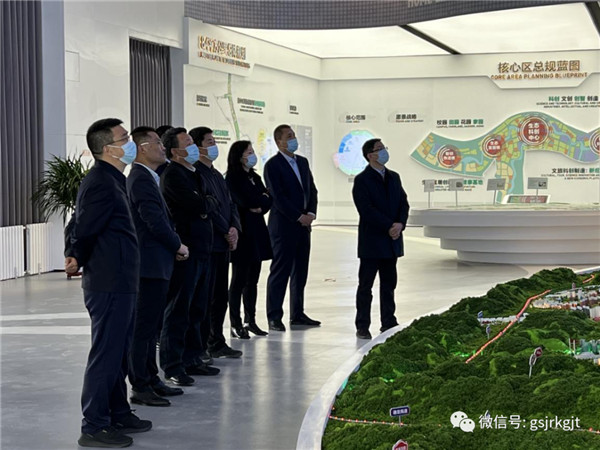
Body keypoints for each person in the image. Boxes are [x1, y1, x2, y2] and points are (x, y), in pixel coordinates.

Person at [65, 118, 151, 448]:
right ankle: (94, 424)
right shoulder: (101, 181)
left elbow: (78, 221)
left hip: (121, 279)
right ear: (108, 149)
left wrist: (74, 251)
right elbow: (83, 226)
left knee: (118, 352)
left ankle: (118, 412)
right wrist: (75, 254)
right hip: (109, 281)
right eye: (124, 138)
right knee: (107, 353)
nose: (131, 143)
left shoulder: (114, 179)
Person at [126, 126, 189, 407]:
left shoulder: (149, 177)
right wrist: (177, 245)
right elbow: (153, 221)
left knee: (151, 328)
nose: (162, 147)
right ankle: (140, 385)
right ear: (142, 148)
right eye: (156, 143)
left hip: (157, 264)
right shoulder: (140, 178)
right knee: (143, 329)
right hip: (148, 266)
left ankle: (151, 379)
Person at [159, 127, 220, 386]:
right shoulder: (173, 175)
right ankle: (173, 364)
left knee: (197, 308)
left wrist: (205, 205)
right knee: (179, 310)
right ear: (175, 151)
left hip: (203, 249)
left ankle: (193, 357)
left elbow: (210, 202)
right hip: (186, 251)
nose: (193, 146)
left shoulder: (195, 173)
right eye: (188, 143)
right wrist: (205, 205)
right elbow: (200, 205)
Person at [190, 126, 243, 358]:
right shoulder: (197, 174)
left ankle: (217, 341)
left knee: (221, 297)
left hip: (223, 244)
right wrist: (225, 230)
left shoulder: (216, 174)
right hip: (210, 243)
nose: (214, 146)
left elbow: (230, 205)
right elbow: (208, 209)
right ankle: (202, 345)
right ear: (197, 147)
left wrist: (235, 228)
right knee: (205, 298)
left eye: (214, 141)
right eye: (209, 142)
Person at [351, 138, 410, 340]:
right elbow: (366, 209)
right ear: (370, 155)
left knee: (389, 284)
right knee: (365, 286)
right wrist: (388, 226)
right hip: (372, 241)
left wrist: (400, 224)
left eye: (384, 147)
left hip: (392, 241)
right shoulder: (362, 180)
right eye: (379, 149)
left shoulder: (394, 177)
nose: (384, 151)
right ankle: (362, 325)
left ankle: (388, 322)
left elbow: (403, 203)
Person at [263, 124, 319, 332]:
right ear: (279, 142)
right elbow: (278, 197)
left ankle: (298, 314)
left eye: (294, 135)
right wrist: (298, 216)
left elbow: (311, 190)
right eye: (289, 136)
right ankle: (274, 316)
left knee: (300, 272)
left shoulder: (302, 162)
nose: (294, 139)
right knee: (280, 272)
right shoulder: (273, 165)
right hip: (284, 227)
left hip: (304, 226)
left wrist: (311, 213)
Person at [225, 140, 273, 338]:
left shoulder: (254, 176)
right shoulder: (232, 178)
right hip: (242, 233)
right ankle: (235, 322)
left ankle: (250, 319)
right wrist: (258, 200)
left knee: (253, 280)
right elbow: (245, 201)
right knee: (239, 280)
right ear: (239, 156)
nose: (252, 155)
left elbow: (268, 199)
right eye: (249, 152)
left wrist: (260, 203)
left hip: (257, 231)